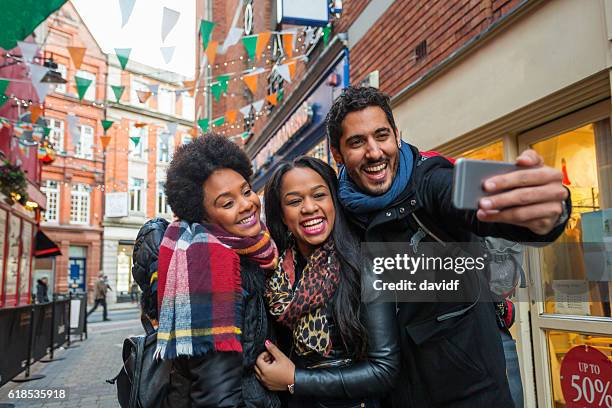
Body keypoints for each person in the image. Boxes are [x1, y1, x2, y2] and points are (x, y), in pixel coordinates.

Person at [325, 86, 571, 407]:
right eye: (357, 142)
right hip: (396, 393)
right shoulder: (339, 212)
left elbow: (473, 200)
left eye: (381, 135)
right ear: (338, 154)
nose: (374, 152)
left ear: (397, 136)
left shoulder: (430, 180)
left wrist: (544, 216)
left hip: (469, 386)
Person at [254, 156, 400, 408]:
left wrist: (295, 379)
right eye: (295, 201)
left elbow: (383, 370)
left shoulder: (365, 264)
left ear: (335, 201)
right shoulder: (274, 272)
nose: (309, 207)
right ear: (281, 213)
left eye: (319, 195)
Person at [158, 134, 280, 408]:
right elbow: (216, 394)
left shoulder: (256, 250)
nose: (247, 204)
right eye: (227, 203)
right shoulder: (211, 267)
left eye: (246, 191)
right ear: (203, 216)